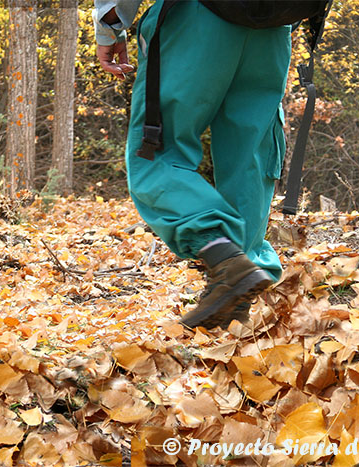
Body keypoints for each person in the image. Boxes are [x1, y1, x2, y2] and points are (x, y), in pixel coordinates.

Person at [94, 0, 291, 330]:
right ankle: (235, 295)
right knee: (251, 156)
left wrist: (110, 25)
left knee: (156, 154)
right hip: (272, 24)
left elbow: (115, 9)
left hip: (197, 17)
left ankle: (225, 257)